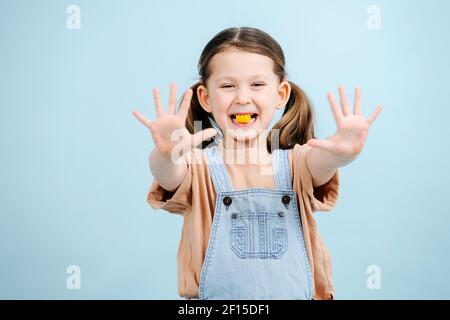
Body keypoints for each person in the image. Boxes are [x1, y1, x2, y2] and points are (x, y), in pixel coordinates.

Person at [132, 27, 382, 300]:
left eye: (257, 84)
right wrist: (166, 153)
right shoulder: (197, 168)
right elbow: (166, 173)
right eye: (227, 86)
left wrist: (344, 152)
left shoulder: (298, 163)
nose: (242, 97)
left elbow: (326, 162)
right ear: (205, 98)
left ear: (281, 94)